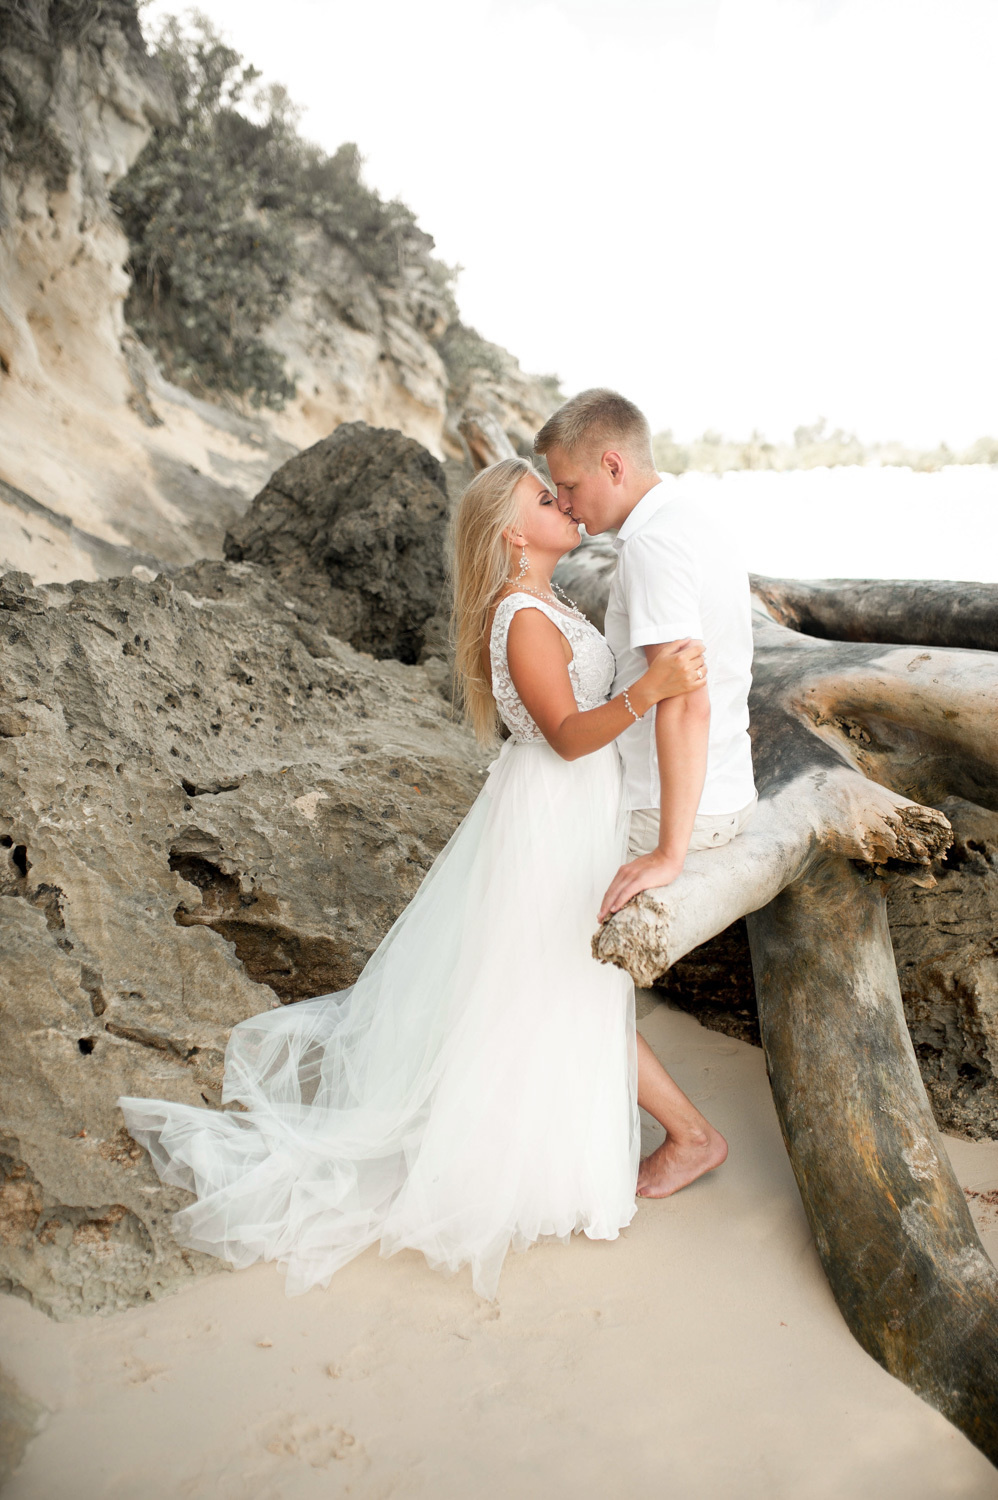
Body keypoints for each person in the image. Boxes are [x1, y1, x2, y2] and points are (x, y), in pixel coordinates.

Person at [118, 457, 706, 1301]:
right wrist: (651, 689)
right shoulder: (519, 617)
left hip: (577, 812)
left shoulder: (552, 602)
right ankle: (632, 1145)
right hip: (550, 813)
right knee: (558, 979)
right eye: (547, 498)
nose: (565, 503)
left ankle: (649, 1140)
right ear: (512, 531)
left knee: (560, 983)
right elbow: (571, 737)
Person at [535, 388, 757, 1197]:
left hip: (668, 811)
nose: (565, 503)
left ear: (614, 463)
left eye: (570, 485)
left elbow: (685, 698)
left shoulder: (653, 547)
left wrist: (669, 847)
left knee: (544, 961)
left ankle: (690, 1135)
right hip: (710, 788)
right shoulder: (691, 518)